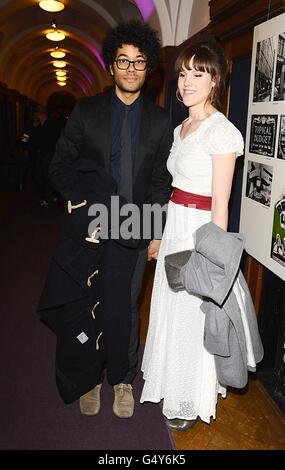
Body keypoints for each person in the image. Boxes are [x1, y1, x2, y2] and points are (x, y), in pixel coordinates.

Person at [48, 20, 173, 418]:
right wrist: (79, 205)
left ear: (148, 68)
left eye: (139, 62)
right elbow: (60, 168)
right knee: (90, 302)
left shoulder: (160, 121)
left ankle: (122, 379)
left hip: (135, 230)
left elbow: (159, 182)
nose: (131, 69)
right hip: (92, 227)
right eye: (124, 61)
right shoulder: (86, 112)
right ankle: (88, 378)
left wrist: (154, 234)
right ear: (111, 66)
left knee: (125, 307)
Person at [140, 41, 245, 431]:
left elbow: (221, 204)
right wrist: (160, 236)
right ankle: (171, 381)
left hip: (200, 233)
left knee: (191, 315)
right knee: (170, 309)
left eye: (197, 74)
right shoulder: (183, 126)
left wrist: (211, 260)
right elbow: (175, 188)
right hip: (176, 226)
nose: (186, 82)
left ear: (214, 80)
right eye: (183, 74)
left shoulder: (222, 132)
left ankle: (188, 396)